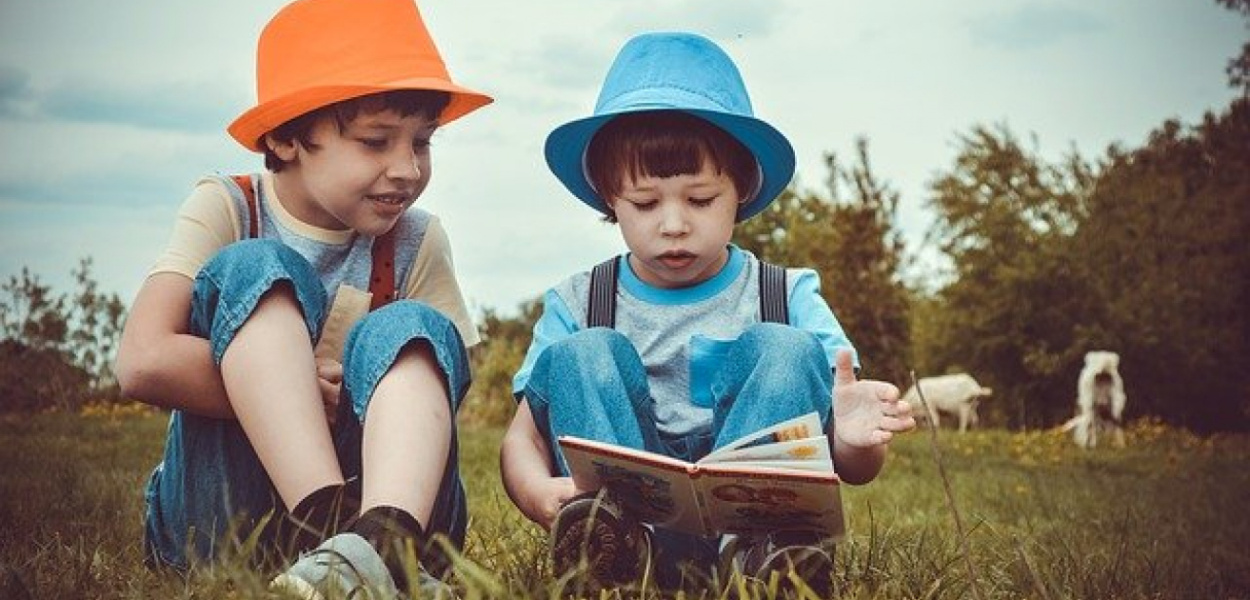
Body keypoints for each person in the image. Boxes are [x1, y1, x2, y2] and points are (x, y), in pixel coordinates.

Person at [499, 32, 916, 595]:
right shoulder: (579, 301)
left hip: (754, 524)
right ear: (608, 197)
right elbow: (521, 439)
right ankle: (611, 553)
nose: (673, 224)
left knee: (786, 347)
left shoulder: (785, 294)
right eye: (645, 204)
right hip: (631, 526)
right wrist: (536, 493)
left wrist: (856, 443)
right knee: (583, 353)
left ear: (741, 188)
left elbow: (854, 467)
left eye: (700, 200)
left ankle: (765, 559)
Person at [114, 0, 490, 597]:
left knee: (414, 328)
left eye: (422, 143)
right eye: (375, 141)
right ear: (287, 136)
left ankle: (382, 544)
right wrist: (291, 386)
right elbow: (142, 360)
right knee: (256, 268)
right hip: (225, 519)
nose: (406, 169)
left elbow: (440, 385)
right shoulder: (230, 207)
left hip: (389, 502)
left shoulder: (417, 238)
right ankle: (336, 537)